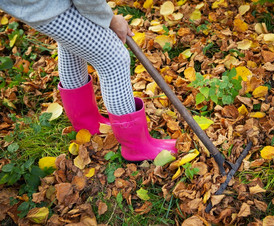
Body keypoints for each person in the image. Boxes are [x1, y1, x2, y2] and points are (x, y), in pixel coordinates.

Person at [0, 0, 177, 161]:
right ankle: (136, 147)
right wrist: (110, 19)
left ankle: (87, 124)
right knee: (114, 59)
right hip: (45, 5)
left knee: (72, 45)